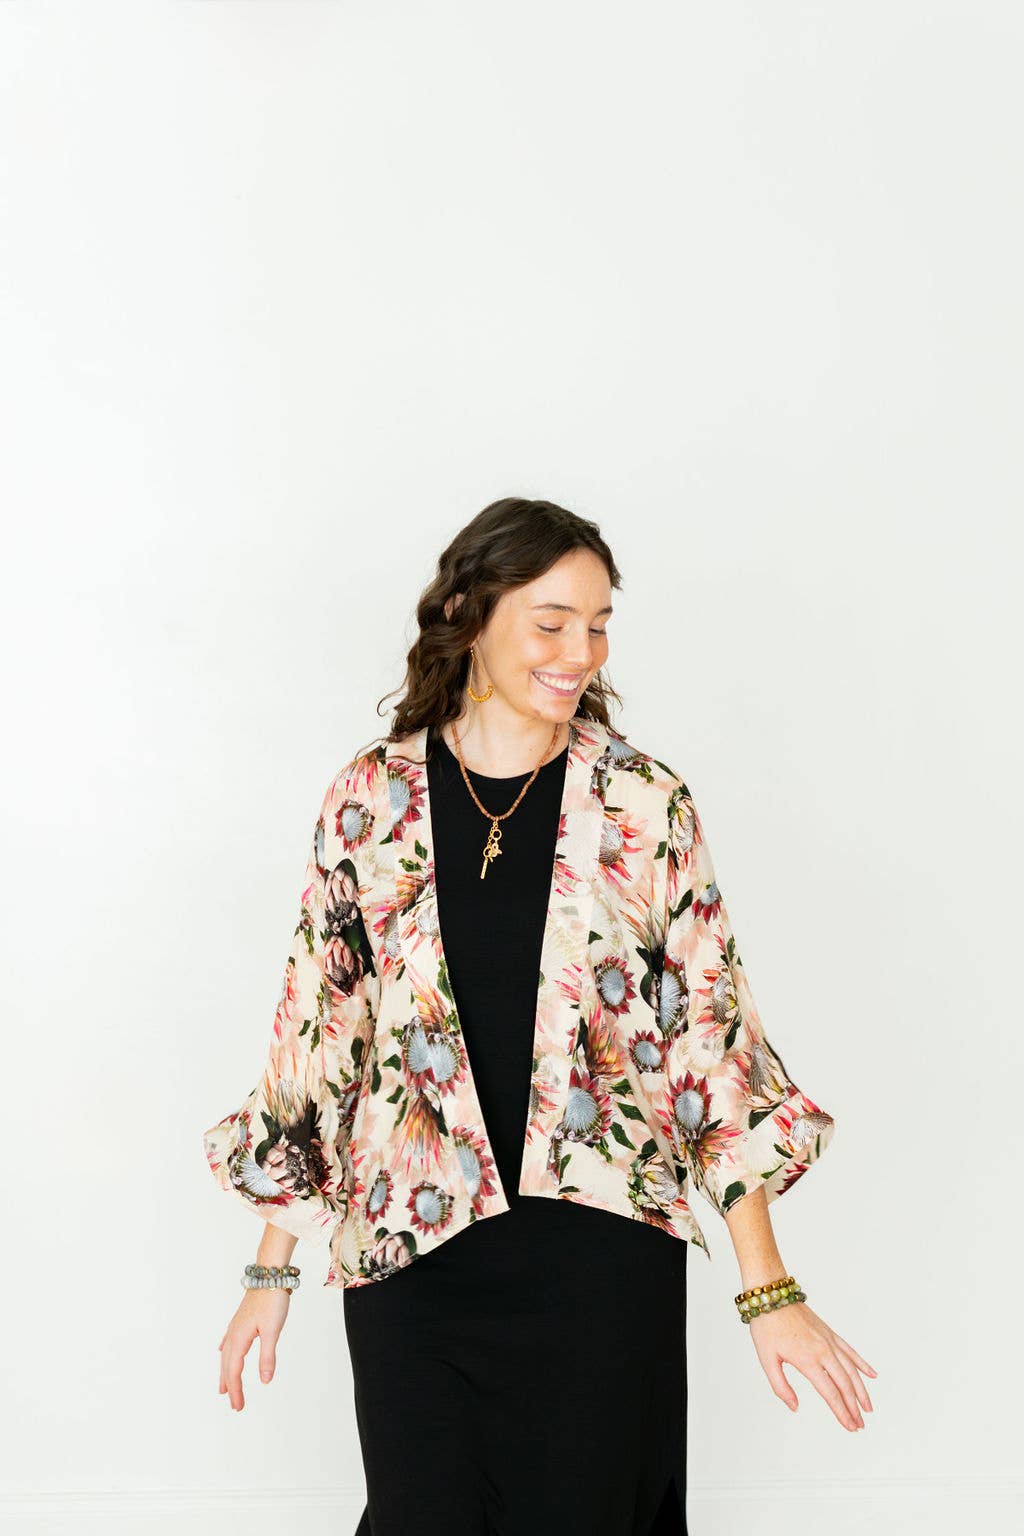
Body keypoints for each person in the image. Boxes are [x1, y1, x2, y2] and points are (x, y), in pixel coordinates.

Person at [203, 497, 876, 1536]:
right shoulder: (369, 800)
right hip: (413, 1254)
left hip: (600, 1261)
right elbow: (320, 1036)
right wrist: (269, 1270)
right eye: (551, 622)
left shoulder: (643, 803)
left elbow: (709, 1044)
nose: (580, 652)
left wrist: (767, 1289)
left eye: (598, 625)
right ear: (468, 613)